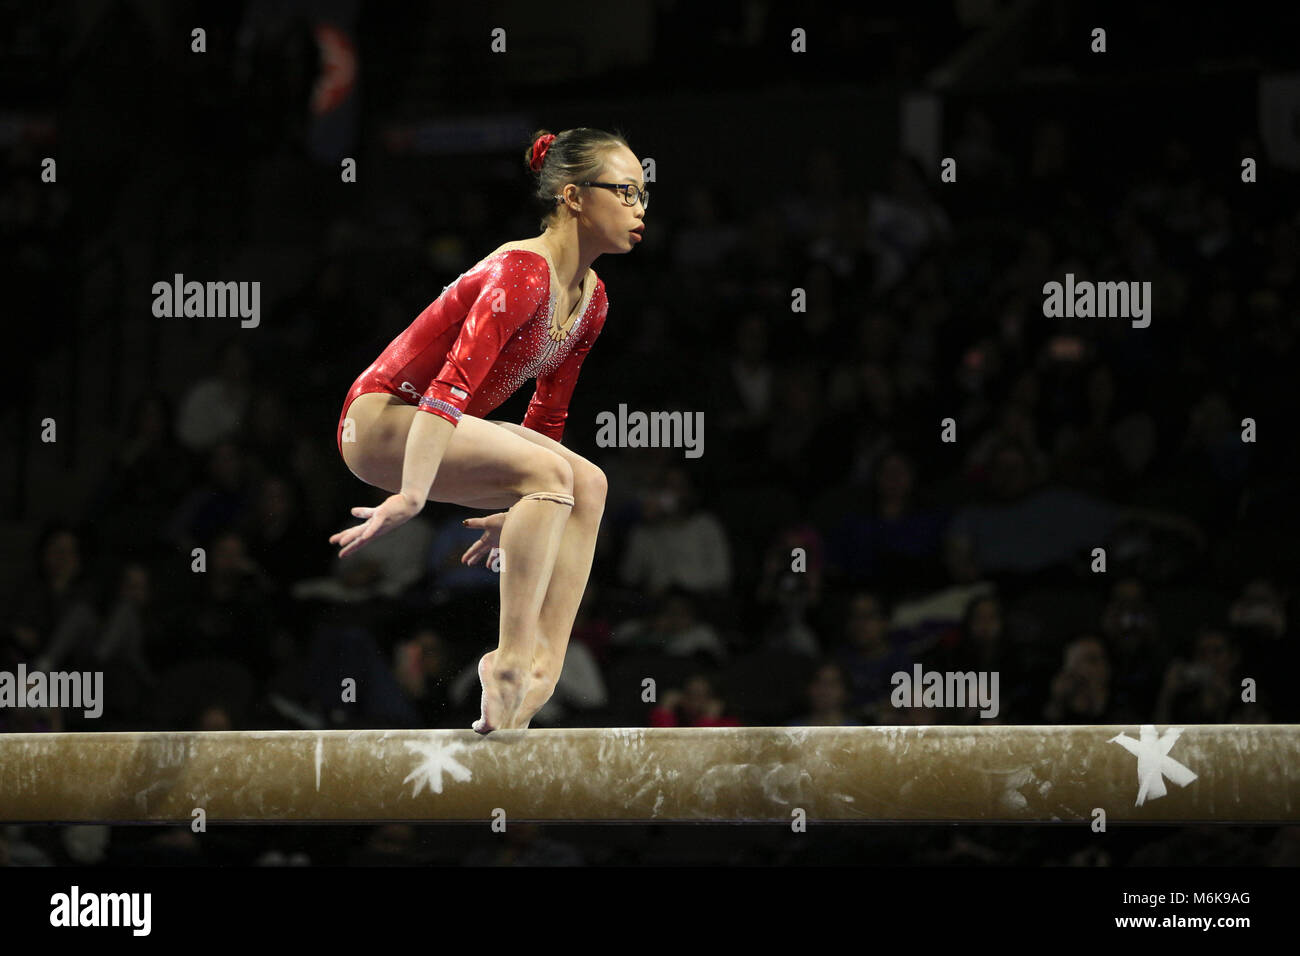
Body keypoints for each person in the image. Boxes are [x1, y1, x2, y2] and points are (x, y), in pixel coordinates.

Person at [330, 128, 647, 733]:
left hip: (445, 428)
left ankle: (542, 670)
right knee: (553, 476)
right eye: (626, 191)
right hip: (380, 421)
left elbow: (546, 421)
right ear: (575, 197)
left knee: (589, 484)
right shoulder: (521, 273)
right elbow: (446, 389)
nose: (639, 207)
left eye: (643, 194)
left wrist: (522, 503)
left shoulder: (592, 299)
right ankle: (506, 661)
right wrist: (413, 496)